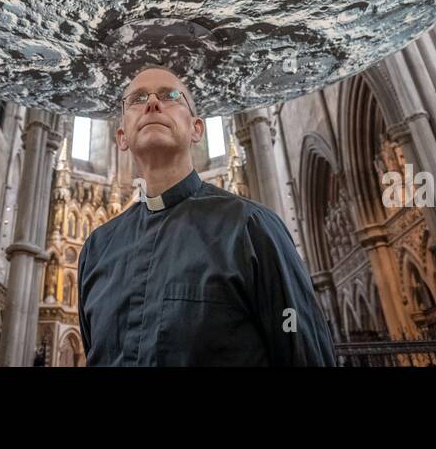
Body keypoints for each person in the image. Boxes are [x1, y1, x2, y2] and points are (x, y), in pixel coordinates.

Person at [77, 64, 336, 366]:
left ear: (196, 129)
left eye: (170, 95)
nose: (152, 103)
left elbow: (302, 352)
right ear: (122, 137)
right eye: (136, 99)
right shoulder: (96, 250)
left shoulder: (251, 228)